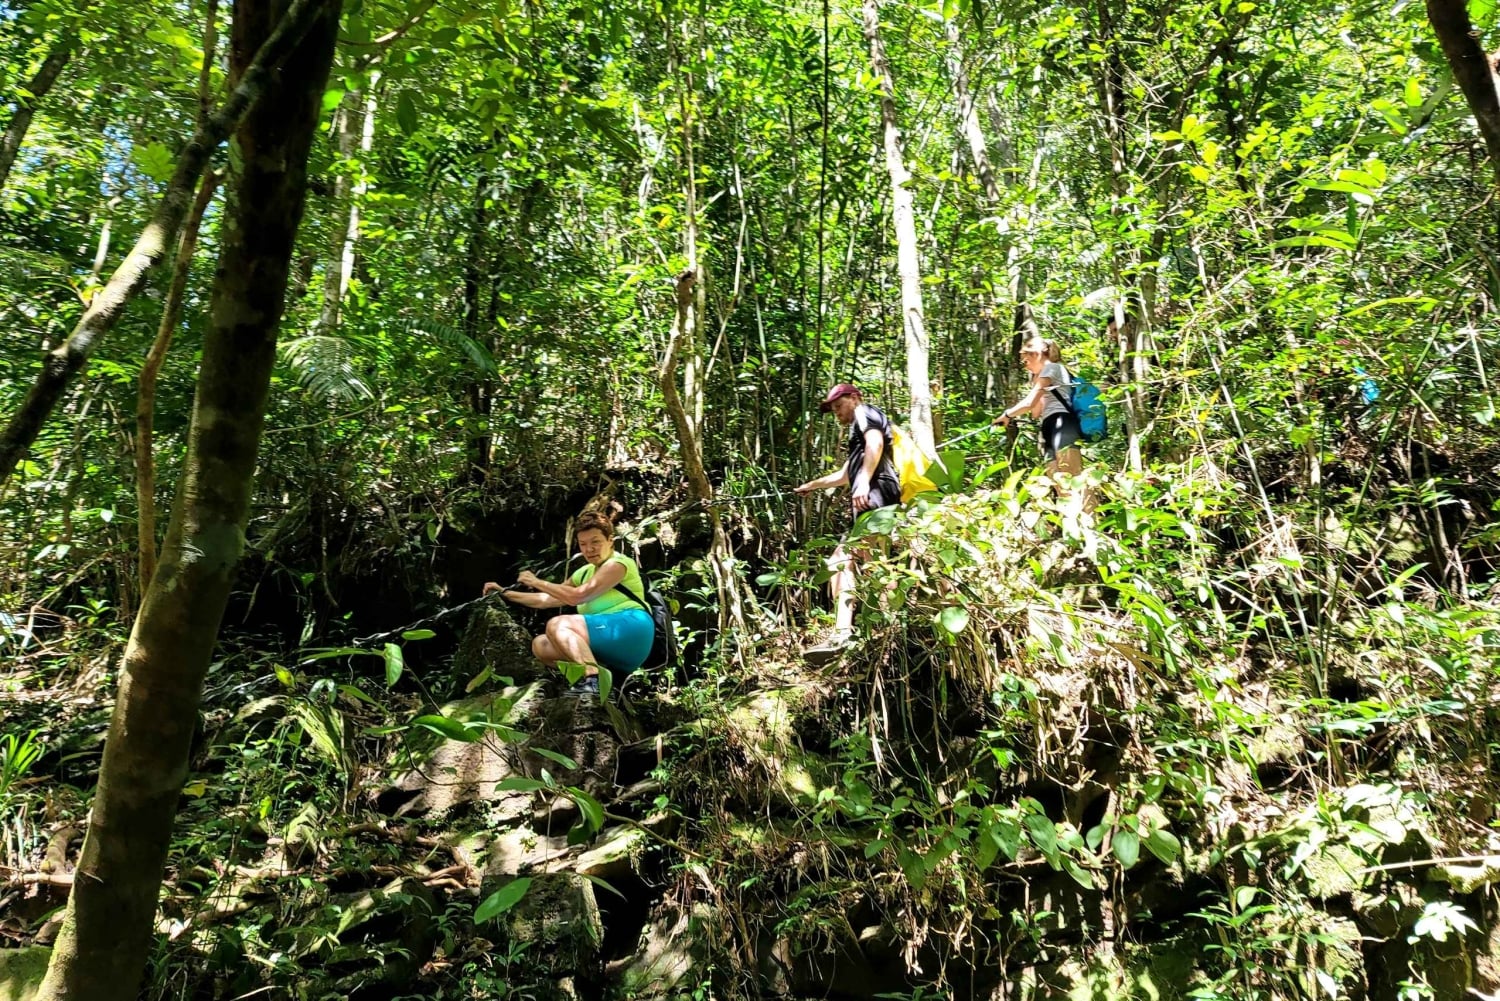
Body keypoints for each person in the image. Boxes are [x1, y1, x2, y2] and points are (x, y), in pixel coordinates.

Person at [482, 511, 653, 696]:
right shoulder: (584, 572)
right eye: (583, 544)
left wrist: (536, 581)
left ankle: (592, 679)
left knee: (558, 624)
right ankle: (606, 679)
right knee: (541, 645)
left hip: (632, 630)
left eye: (595, 542)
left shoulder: (617, 564)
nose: (589, 549)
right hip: (603, 639)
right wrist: (505, 593)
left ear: (610, 540)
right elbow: (547, 599)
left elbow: (577, 597)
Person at [793, 383, 901, 663]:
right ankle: (858, 630)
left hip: (877, 491)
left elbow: (875, 442)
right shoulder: (856, 438)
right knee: (848, 561)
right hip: (872, 492)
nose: (837, 413)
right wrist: (812, 485)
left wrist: (864, 481)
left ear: (854, 398)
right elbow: (844, 475)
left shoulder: (865, 412)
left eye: (839, 406)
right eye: (833, 409)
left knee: (860, 557)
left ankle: (880, 628)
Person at [993, 337, 1083, 481]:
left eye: (1025, 361)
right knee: (1057, 481)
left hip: (1062, 422)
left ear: (1036, 354)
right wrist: (1035, 383)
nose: (1025, 366)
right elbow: (1036, 412)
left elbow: (1029, 403)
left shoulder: (1052, 367)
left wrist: (1007, 415)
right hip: (1048, 425)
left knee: (1074, 479)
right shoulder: (1042, 375)